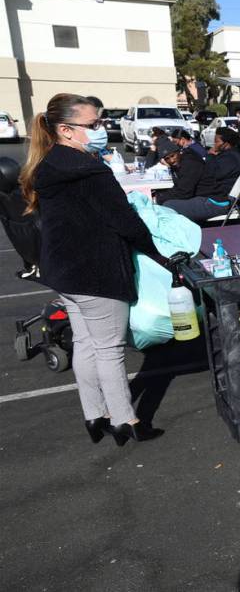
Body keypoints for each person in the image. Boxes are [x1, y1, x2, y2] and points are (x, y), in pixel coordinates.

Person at [19, 93, 165, 444]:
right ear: (67, 130)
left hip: (65, 272)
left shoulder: (50, 164)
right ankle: (125, 421)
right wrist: (158, 254)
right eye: (94, 125)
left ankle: (94, 414)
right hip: (95, 271)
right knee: (109, 348)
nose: (101, 130)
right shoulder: (88, 169)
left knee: (85, 343)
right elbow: (124, 220)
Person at [162, 126, 240, 222]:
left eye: (217, 141)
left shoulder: (230, 158)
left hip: (218, 199)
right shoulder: (227, 155)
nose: (214, 144)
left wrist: (209, 156)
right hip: (214, 195)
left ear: (225, 144)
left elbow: (213, 173)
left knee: (170, 205)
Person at [153, 137, 204, 205]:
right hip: (195, 196)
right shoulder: (178, 163)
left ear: (178, 152)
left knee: (168, 205)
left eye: (173, 156)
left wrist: (158, 198)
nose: (172, 160)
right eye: (167, 158)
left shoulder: (190, 163)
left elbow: (184, 193)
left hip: (207, 198)